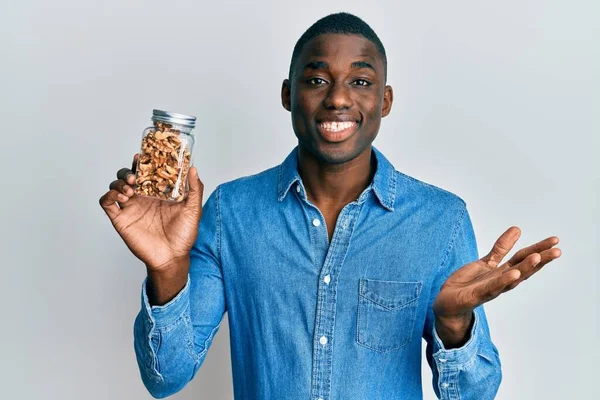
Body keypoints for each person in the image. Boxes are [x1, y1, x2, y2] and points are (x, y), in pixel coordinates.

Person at [99, 12, 561, 400]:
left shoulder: (441, 220)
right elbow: (164, 377)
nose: (338, 97)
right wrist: (167, 267)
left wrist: (454, 321)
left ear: (385, 100)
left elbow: (475, 395)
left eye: (360, 81)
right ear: (288, 94)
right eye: (317, 79)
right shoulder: (229, 213)